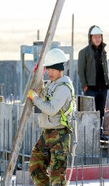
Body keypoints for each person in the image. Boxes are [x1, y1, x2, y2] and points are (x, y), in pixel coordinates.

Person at [27, 48, 75, 186]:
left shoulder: (64, 87)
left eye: (52, 69)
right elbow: (42, 93)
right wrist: (38, 76)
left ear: (60, 69)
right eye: (47, 69)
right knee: (35, 167)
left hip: (59, 135)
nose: (49, 72)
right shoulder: (52, 84)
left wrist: (35, 99)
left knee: (57, 177)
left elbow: (51, 109)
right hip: (47, 133)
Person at [78, 25, 109, 140]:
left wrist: (108, 85)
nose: (97, 39)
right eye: (95, 37)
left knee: (101, 111)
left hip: (103, 87)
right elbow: (80, 70)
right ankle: (89, 135)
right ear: (90, 38)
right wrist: (84, 86)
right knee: (90, 112)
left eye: (99, 36)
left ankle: (99, 133)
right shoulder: (84, 52)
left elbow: (106, 68)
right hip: (91, 88)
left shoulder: (104, 51)